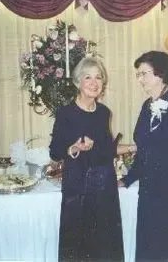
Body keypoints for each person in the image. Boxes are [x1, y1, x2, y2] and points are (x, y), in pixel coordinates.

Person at [118, 51, 168, 261]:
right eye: (138, 74)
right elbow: (144, 149)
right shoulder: (147, 105)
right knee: (148, 247)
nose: (140, 80)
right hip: (149, 189)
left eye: (144, 74)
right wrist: (128, 179)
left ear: (160, 74)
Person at [49, 57, 125, 261]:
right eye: (88, 77)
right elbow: (55, 151)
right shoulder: (65, 113)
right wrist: (74, 147)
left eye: (98, 77)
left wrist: (135, 146)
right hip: (78, 188)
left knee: (105, 244)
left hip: (104, 187)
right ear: (77, 83)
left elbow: (107, 149)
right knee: (78, 244)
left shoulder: (103, 113)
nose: (94, 83)